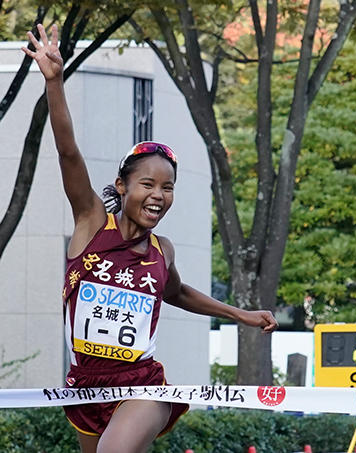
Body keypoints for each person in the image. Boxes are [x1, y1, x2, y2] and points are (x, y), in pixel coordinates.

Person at [23, 24, 278, 453]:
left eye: (168, 187)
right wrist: (55, 83)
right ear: (122, 186)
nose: (158, 195)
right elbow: (68, 152)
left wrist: (242, 315)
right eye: (147, 184)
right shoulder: (90, 223)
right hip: (85, 385)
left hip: (143, 385)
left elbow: (177, 293)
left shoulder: (163, 251)